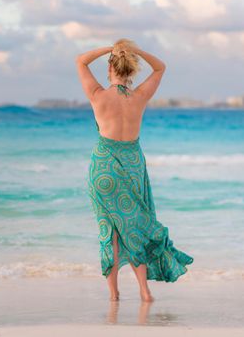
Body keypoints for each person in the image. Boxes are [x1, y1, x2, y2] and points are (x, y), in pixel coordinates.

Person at [75, 38, 194, 302]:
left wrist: (109, 49)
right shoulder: (139, 96)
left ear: (109, 68)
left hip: (103, 168)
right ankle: (144, 290)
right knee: (136, 227)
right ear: (131, 70)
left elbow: (80, 60)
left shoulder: (97, 95)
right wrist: (135, 51)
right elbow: (160, 67)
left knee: (109, 231)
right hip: (131, 165)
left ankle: (114, 295)